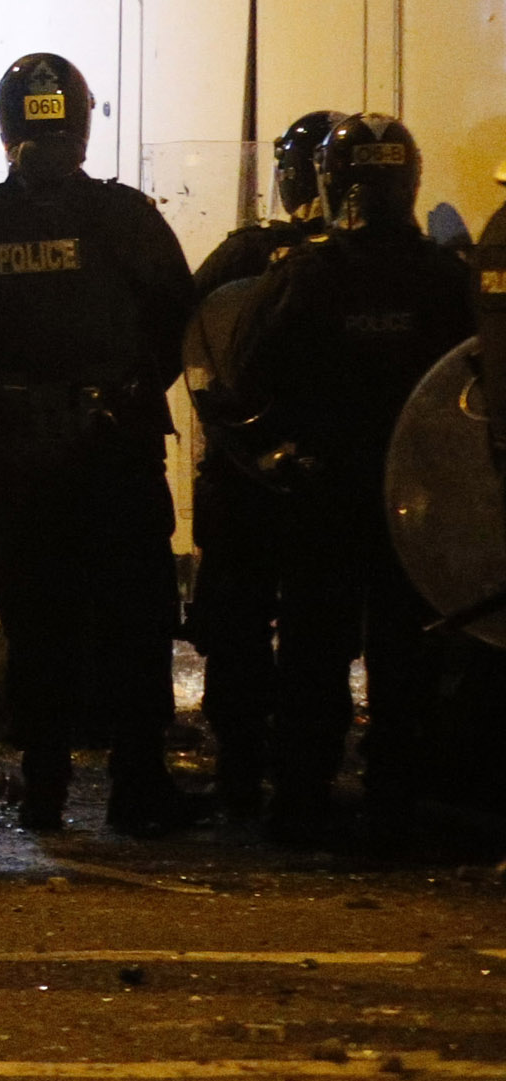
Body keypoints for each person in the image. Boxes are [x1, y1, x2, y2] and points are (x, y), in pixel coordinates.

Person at [0, 54, 199, 835]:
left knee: (37, 618)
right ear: (82, 123)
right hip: (113, 450)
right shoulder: (126, 217)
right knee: (134, 619)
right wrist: (118, 383)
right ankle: (137, 786)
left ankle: (44, 789)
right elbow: (177, 322)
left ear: (6, 123)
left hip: (24, 451)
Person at [217, 114, 471, 851]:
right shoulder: (444, 277)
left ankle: (301, 802)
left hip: (324, 499)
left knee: (312, 655)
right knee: (406, 659)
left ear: (333, 185)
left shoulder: (305, 273)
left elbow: (244, 373)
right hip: (415, 505)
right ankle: (394, 804)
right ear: (409, 182)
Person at [184, 109, 333, 814]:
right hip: (325, 486)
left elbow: (189, 347)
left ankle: (243, 772)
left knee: (239, 627)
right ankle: (305, 776)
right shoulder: (381, 262)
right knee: (316, 632)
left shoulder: (246, 256)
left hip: (245, 482)